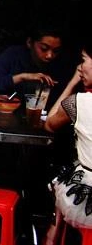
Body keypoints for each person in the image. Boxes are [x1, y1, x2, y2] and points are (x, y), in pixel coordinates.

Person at [44, 37, 92, 243]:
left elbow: (49, 123)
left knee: (61, 189)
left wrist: (73, 82)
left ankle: (52, 237)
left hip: (85, 202)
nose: (80, 67)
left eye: (84, 60)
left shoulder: (80, 103)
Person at [0, 24, 75, 110]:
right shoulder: (14, 55)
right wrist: (22, 77)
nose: (49, 55)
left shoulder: (60, 65)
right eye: (44, 48)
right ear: (29, 42)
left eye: (56, 51)